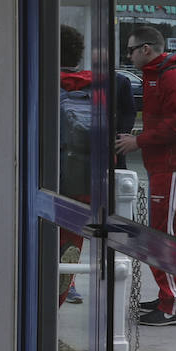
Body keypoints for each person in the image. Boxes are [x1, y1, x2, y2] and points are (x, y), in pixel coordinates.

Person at [56, 25, 137, 305]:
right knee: (75, 237)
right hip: (90, 176)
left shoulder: (43, 81)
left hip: (55, 176)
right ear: (79, 54)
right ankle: (68, 285)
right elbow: (123, 118)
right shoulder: (105, 83)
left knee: (46, 237)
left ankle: (58, 290)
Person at [115, 26, 176, 327]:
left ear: (146, 48)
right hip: (164, 167)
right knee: (165, 233)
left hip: (173, 168)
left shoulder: (171, 76)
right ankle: (170, 295)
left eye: (130, 50)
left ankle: (173, 304)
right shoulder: (157, 75)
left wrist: (138, 141)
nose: (128, 56)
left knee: (164, 236)